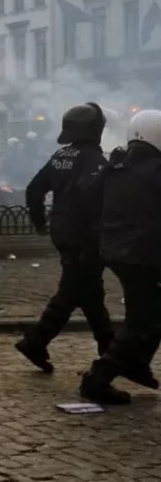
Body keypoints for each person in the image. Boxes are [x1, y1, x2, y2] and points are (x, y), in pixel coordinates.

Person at [16, 104, 114, 373]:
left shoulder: (61, 155)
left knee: (89, 292)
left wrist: (39, 222)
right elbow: (91, 194)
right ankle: (35, 341)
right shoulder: (93, 158)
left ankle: (111, 350)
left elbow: (34, 190)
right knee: (74, 291)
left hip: (63, 231)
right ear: (95, 130)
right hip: (84, 237)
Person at [79, 109, 161, 405]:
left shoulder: (118, 166)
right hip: (142, 253)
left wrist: (107, 170)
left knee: (147, 314)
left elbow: (87, 195)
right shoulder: (155, 170)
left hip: (116, 250)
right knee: (145, 320)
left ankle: (137, 365)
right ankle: (98, 378)